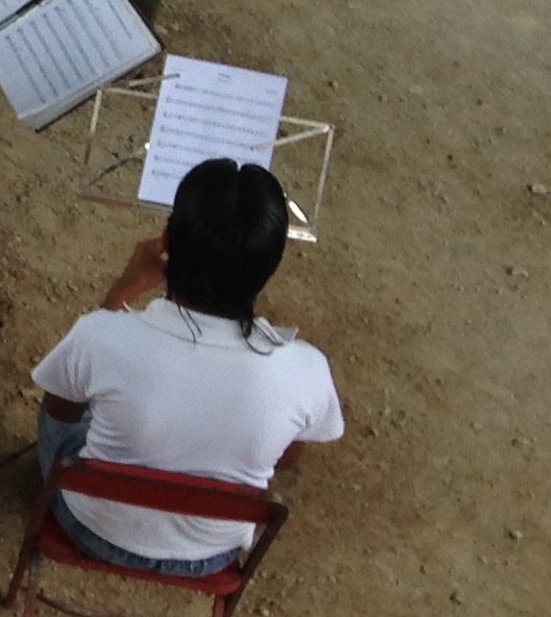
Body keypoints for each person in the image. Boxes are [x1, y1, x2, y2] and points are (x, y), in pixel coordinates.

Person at [31, 157, 342, 574]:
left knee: (72, 394)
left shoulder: (101, 336)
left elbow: (62, 410)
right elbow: (285, 460)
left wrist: (123, 290)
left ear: (166, 239)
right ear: (271, 263)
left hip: (91, 528)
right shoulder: (308, 369)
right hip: (210, 554)